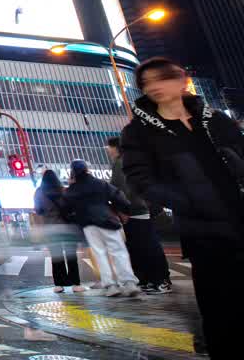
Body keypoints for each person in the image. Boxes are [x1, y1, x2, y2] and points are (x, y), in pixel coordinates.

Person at [121, 58, 244, 358]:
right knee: (220, 306)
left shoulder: (215, 120)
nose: (154, 86)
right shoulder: (138, 132)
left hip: (239, 215)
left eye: (160, 78)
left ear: (181, 80)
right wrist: (183, 201)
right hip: (201, 228)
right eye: (146, 83)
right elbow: (139, 178)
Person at [63, 159, 140, 297]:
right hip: (107, 220)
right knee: (118, 250)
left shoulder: (73, 190)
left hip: (88, 224)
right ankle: (129, 283)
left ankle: (110, 285)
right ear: (87, 169)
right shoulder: (100, 183)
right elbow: (118, 196)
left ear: (72, 172)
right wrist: (124, 211)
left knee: (100, 254)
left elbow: (65, 208)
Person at [107, 137, 171, 294]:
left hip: (135, 211)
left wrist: (123, 210)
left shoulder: (120, 163)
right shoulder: (127, 161)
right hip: (138, 210)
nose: (107, 150)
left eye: (108, 147)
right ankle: (151, 280)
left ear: (115, 148)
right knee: (142, 247)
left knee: (147, 246)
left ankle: (160, 280)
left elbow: (121, 190)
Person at [33, 169, 84, 293]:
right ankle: (76, 284)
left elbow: (38, 210)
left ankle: (59, 285)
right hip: (67, 227)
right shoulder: (64, 190)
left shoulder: (39, 192)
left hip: (51, 228)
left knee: (56, 257)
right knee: (71, 256)